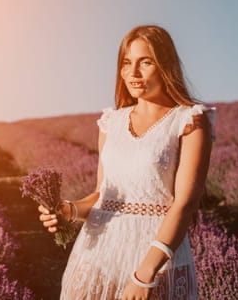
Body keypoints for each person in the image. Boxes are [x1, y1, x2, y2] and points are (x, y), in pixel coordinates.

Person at [38, 25, 216, 299]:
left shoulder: (189, 121)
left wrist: (145, 274)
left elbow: (185, 204)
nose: (132, 73)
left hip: (153, 258)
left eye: (145, 62)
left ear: (165, 66)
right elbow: (103, 194)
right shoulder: (112, 122)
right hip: (97, 251)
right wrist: (69, 210)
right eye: (126, 63)